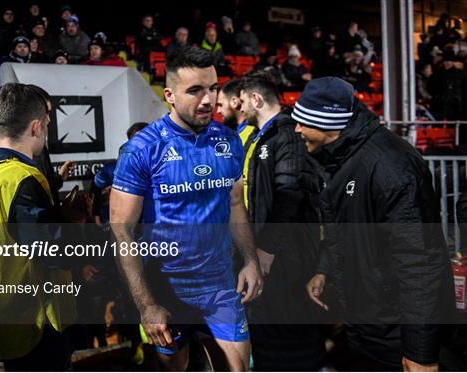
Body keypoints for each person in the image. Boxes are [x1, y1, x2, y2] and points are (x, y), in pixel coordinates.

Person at [109, 48, 263, 371]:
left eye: (213, 88)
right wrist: (146, 304)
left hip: (221, 287)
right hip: (167, 291)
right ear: (169, 95)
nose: (208, 100)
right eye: (195, 90)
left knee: (240, 369)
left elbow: (236, 204)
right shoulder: (141, 150)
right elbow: (121, 230)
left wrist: (250, 260)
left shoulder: (230, 142)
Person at [295, 77, 454, 371]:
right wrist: (324, 269)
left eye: (303, 122)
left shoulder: (391, 166)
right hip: (366, 321)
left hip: (395, 331)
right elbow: (346, 228)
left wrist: (420, 351)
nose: (297, 129)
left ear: (329, 123)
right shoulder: (341, 154)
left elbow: (419, 262)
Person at [0, 83, 92, 370]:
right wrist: (75, 221)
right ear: (35, 127)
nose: (46, 132)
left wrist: (56, 215)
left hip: (3, 311)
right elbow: (52, 252)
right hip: (35, 321)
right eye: (47, 124)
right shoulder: (22, 178)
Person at [238, 74, 324, 371]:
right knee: (268, 327)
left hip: (287, 254)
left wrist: (267, 249)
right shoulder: (262, 136)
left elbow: (289, 196)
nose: (239, 108)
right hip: (269, 251)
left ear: (256, 99)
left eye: (242, 101)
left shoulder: (286, 135)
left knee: (290, 326)